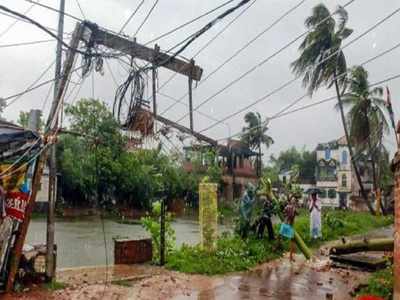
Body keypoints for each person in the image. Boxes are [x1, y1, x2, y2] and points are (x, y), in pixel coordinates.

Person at [283, 197, 298, 262]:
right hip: (290, 226)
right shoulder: (294, 208)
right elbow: (297, 214)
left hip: (285, 224)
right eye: (294, 201)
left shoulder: (287, 207)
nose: (294, 202)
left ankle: (275, 248)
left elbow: (284, 212)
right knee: (292, 241)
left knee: (280, 237)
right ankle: (291, 257)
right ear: (293, 202)